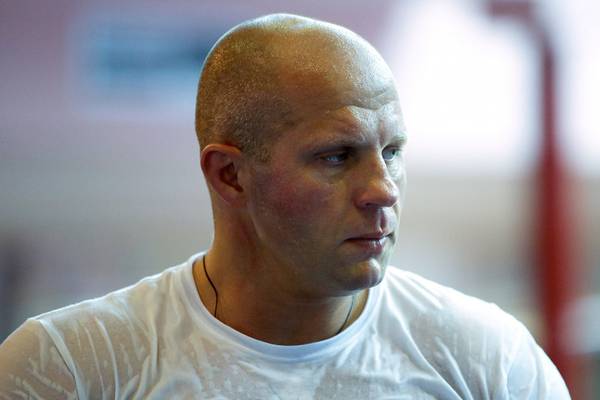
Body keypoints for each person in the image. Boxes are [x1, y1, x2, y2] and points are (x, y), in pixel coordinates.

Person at [0, 13, 569, 399]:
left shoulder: (487, 359)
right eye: (336, 156)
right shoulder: (71, 367)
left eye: (392, 152)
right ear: (230, 176)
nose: (383, 189)